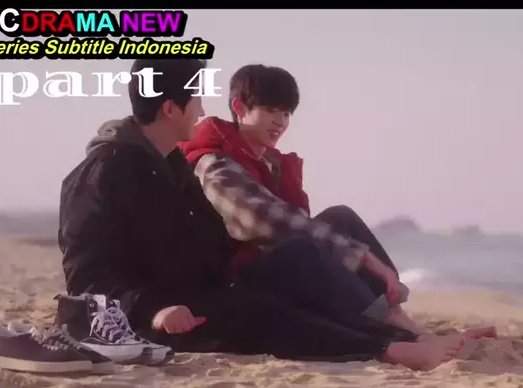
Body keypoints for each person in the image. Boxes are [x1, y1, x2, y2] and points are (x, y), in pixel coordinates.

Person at [57, 58, 462, 371]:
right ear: (169, 108)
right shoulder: (104, 171)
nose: (202, 109)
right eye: (195, 99)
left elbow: (214, 243)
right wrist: (153, 311)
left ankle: (395, 332)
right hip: (163, 313)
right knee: (262, 311)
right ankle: (390, 347)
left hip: (207, 288)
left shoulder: (173, 168)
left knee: (289, 271)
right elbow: (87, 277)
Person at [179, 64, 496, 340]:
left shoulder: (270, 164)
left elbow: (298, 223)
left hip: (276, 272)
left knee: (340, 217)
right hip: (234, 284)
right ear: (239, 107)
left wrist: (358, 256)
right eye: (271, 110)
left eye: (287, 113)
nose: (281, 122)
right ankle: (393, 328)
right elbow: (266, 221)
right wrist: (362, 257)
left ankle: (398, 318)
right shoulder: (216, 164)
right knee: (300, 249)